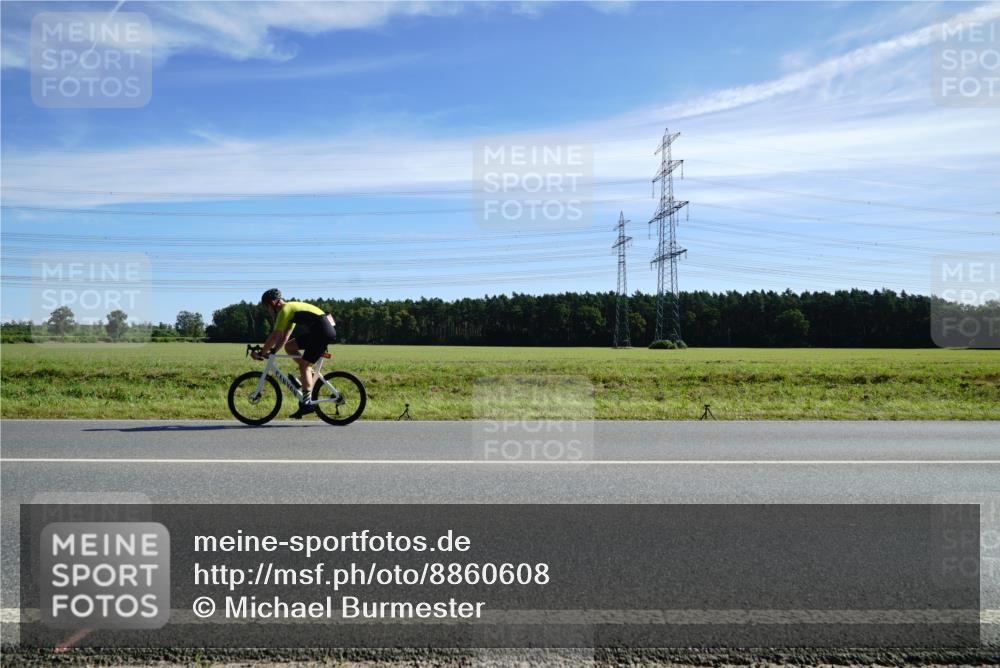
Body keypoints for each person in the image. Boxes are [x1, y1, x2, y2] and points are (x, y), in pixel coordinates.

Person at [255, 288, 337, 418]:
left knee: (304, 365)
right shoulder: (289, 312)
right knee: (290, 347)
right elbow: (284, 337)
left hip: (322, 332)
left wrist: (261, 352)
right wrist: (273, 351)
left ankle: (307, 403)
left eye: (267, 307)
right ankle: (308, 374)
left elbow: (275, 335)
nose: (267, 310)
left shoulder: (285, 310)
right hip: (319, 331)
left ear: (272, 303)